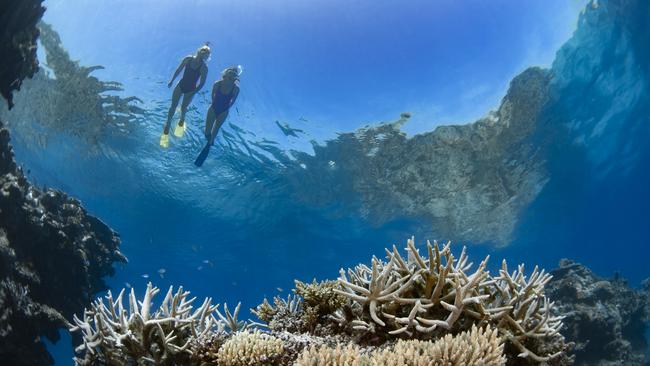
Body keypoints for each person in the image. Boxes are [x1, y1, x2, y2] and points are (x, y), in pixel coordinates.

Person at [160, 44, 210, 148]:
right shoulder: (188, 58)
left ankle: (182, 119)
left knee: (183, 108)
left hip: (190, 90)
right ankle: (167, 125)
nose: (205, 52)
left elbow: (202, 83)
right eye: (204, 50)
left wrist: (194, 92)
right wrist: (172, 81)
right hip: (180, 85)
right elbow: (179, 70)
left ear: (207, 56)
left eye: (207, 52)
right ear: (199, 50)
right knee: (173, 106)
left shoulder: (204, 68)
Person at [194, 65, 241, 166]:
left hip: (224, 111)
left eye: (234, 73)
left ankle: (209, 143)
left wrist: (226, 109)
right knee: (207, 132)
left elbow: (233, 101)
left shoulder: (236, 89)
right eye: (230, 71)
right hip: (213, 108)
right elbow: (212, 95)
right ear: (225, 73)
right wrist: (214, 106)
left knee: (214, 132)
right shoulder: (217, 83)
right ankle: (209, 139)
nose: (232, 73)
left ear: (235, 76)